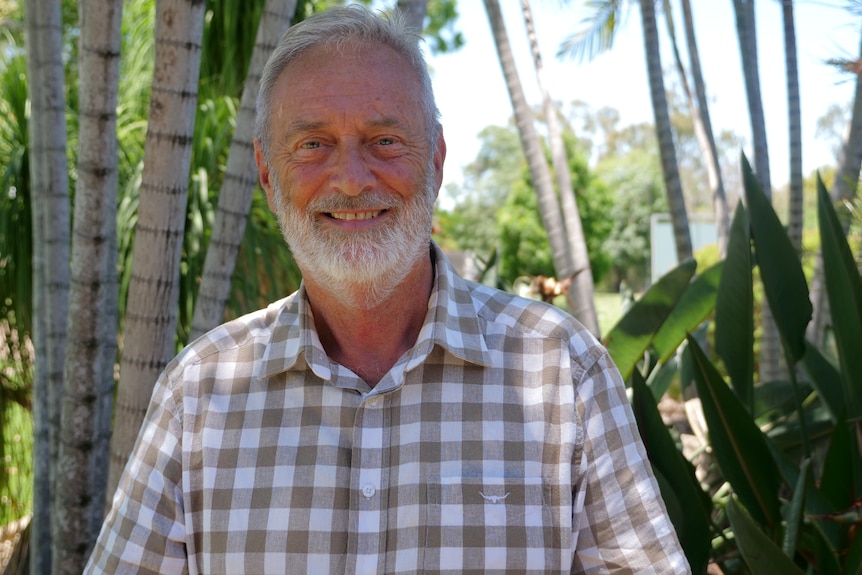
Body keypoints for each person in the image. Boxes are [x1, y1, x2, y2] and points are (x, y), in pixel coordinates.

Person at [85, 5, 689, 574]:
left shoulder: (562, 370)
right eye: (313, 145)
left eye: (386, 141)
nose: (351, 179)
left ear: (436, 161)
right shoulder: (198, 393)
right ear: (268, 176)